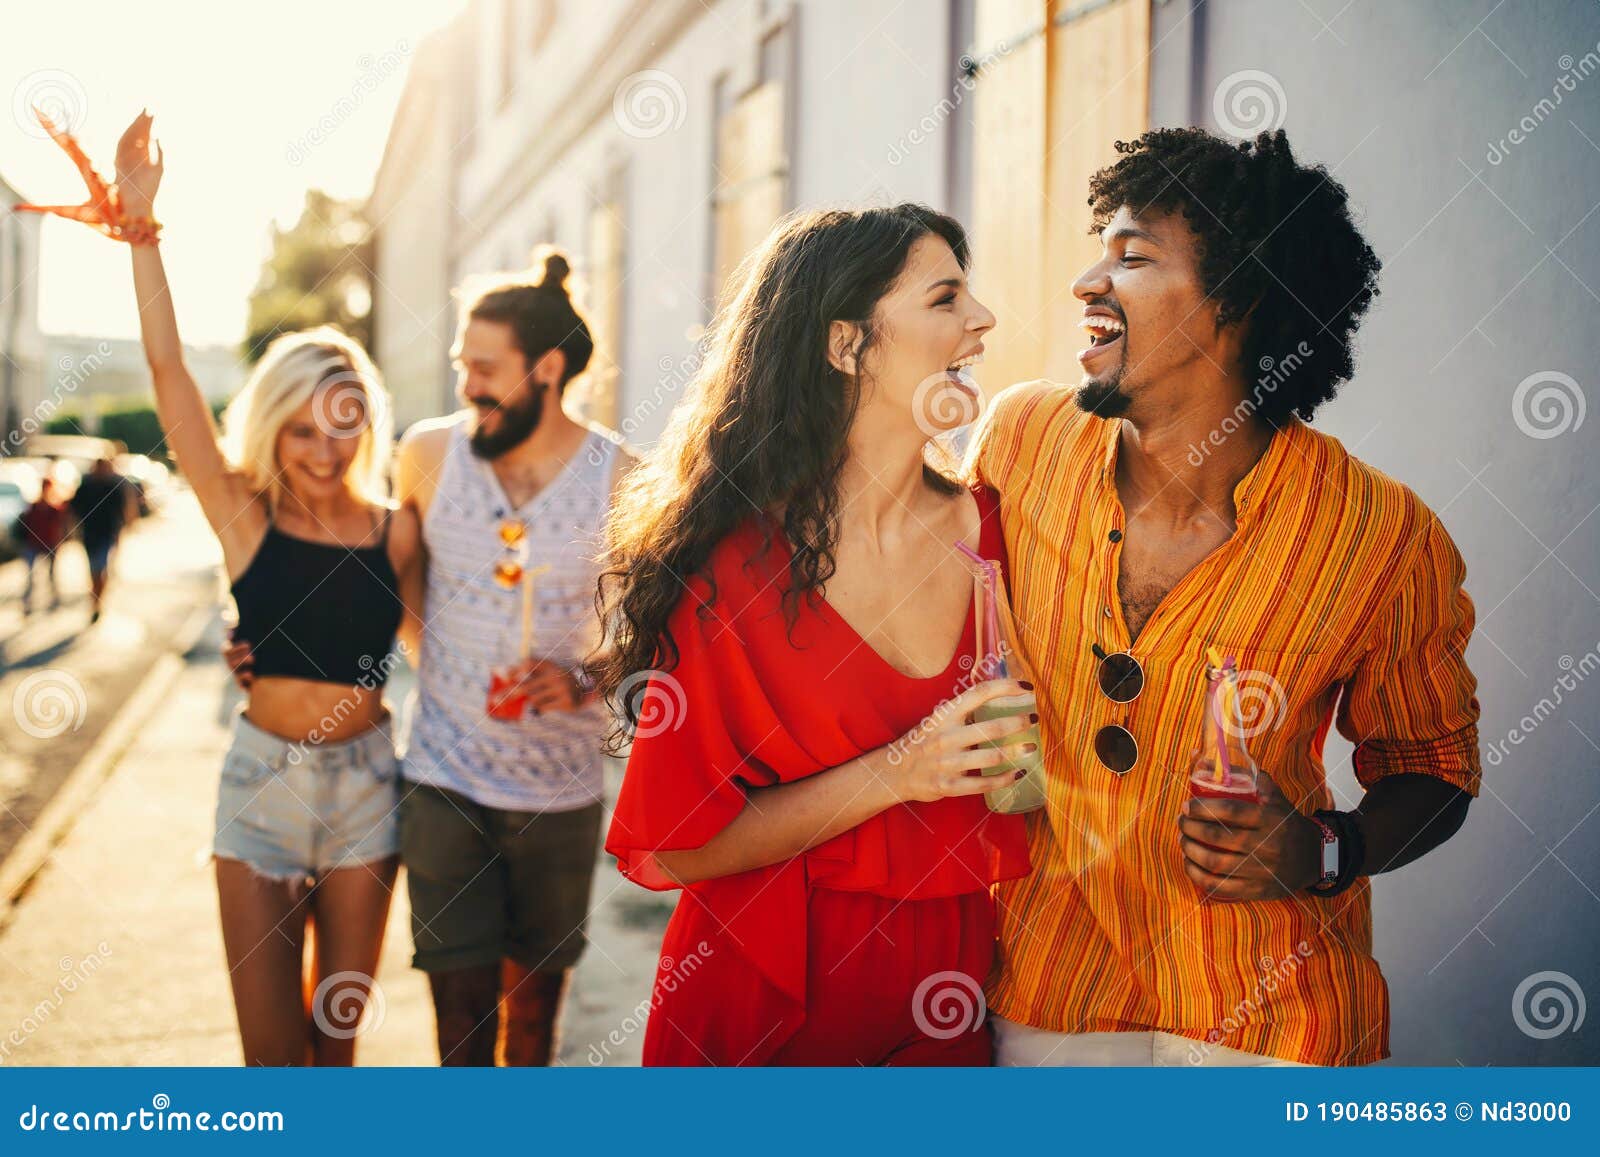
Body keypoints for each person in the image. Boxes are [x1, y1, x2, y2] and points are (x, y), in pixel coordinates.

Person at [966, 127, 1481, 1067]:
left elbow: (1436, 766)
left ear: (1237, 302)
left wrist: (1324, 851)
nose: (1087, 281)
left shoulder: (1382, 534)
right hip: (1049, 994)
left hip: (1273, 1026)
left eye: (1132, 257)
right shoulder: (1018, 441)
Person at [599, 204, 1036, 1066]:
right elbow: (681, 843)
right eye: (945, 297)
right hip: (763, 993)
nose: (982, 319)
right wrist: (901, 770)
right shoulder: (728, 565)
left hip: (949, 989)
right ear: (845, 344)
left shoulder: (995, 525)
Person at [111, 112, 422, 1065]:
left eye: (344, 427)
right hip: (259, 791)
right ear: (275, 426)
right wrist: (142, 227)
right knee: (272, 1063)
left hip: (370, 790)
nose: (324, 451)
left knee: (336, 1057)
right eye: (303, 430)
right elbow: (169, 374)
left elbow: (444, 639)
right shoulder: (245, 517)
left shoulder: (396, 526)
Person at [391, 249, 632, 1066]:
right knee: (458, 1031)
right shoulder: (427, 454)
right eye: (464, 365)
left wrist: (585, 679)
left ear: (548, 367)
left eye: (485, 368)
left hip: (559, 796)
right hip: (441, 782)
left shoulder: (623, 476)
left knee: (531, 1036)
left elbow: (654, 634)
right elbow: (395, 588)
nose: (467, 385)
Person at [68, 457, 138, 622]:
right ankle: (96, 599)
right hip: (89, 534)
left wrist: (126, 527)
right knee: (94, 570)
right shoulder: (86, 486)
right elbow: (73, 509)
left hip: (107, 534)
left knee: (101, 568)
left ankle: (98, 601)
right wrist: (70, 529)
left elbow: (125, 509)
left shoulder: (113, 487)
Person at [17, 476, 69, 614]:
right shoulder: (33, 507)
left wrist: (59, 543)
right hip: (33, 544)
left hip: (49, 544)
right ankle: (27, 604)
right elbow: (26, 525)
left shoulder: (55, 509)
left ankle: (53, 601)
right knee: (30, 576)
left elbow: (61, 528)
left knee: (51, 575)